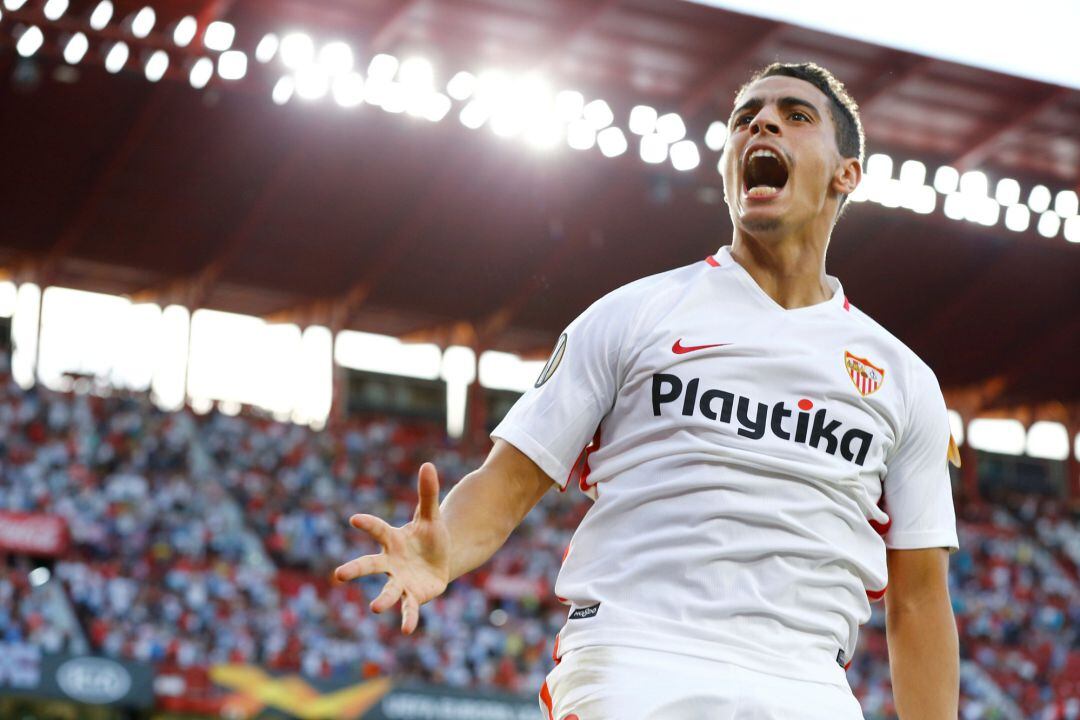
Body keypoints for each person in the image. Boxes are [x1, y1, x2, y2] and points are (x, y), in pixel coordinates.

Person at [334, 62, 960, 720]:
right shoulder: (633, 315)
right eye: (744, 119)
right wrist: (446, 548)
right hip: (638, 657)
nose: (761, 124)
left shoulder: (904, 380)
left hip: (808, 682)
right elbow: (507, 481)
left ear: (846, 174)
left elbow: (918, 601)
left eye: (795, 116)